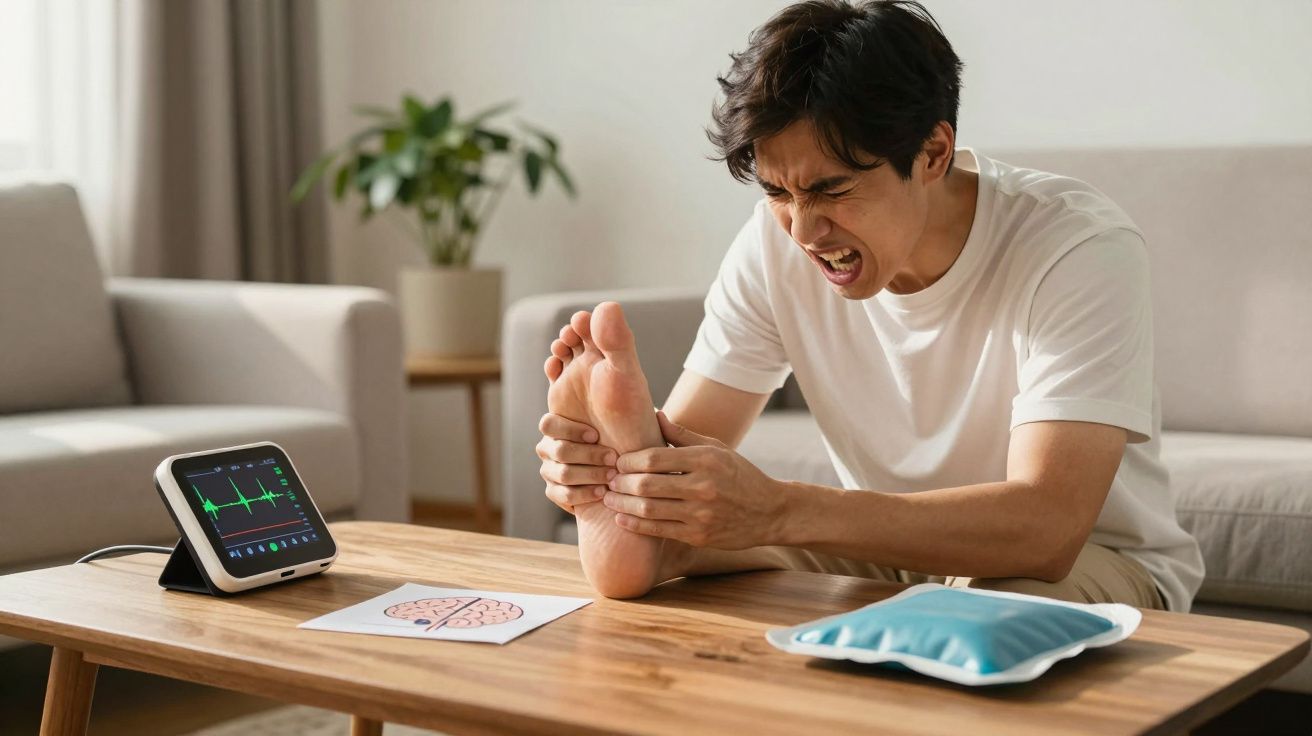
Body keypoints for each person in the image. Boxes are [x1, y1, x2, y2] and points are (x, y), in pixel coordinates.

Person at [535, 0, 1203, 611]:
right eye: (778, 192)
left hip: (1083, 557)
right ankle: (630, 527)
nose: (803, 230)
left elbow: (1048, 528)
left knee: (981, 610)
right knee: (675, 537)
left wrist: (779, 508)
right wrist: (617, 472)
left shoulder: (1075, 245)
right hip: (883, 544)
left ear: (933, 153)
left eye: (831, 190)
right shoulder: (772, 244)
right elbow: (691, 448)